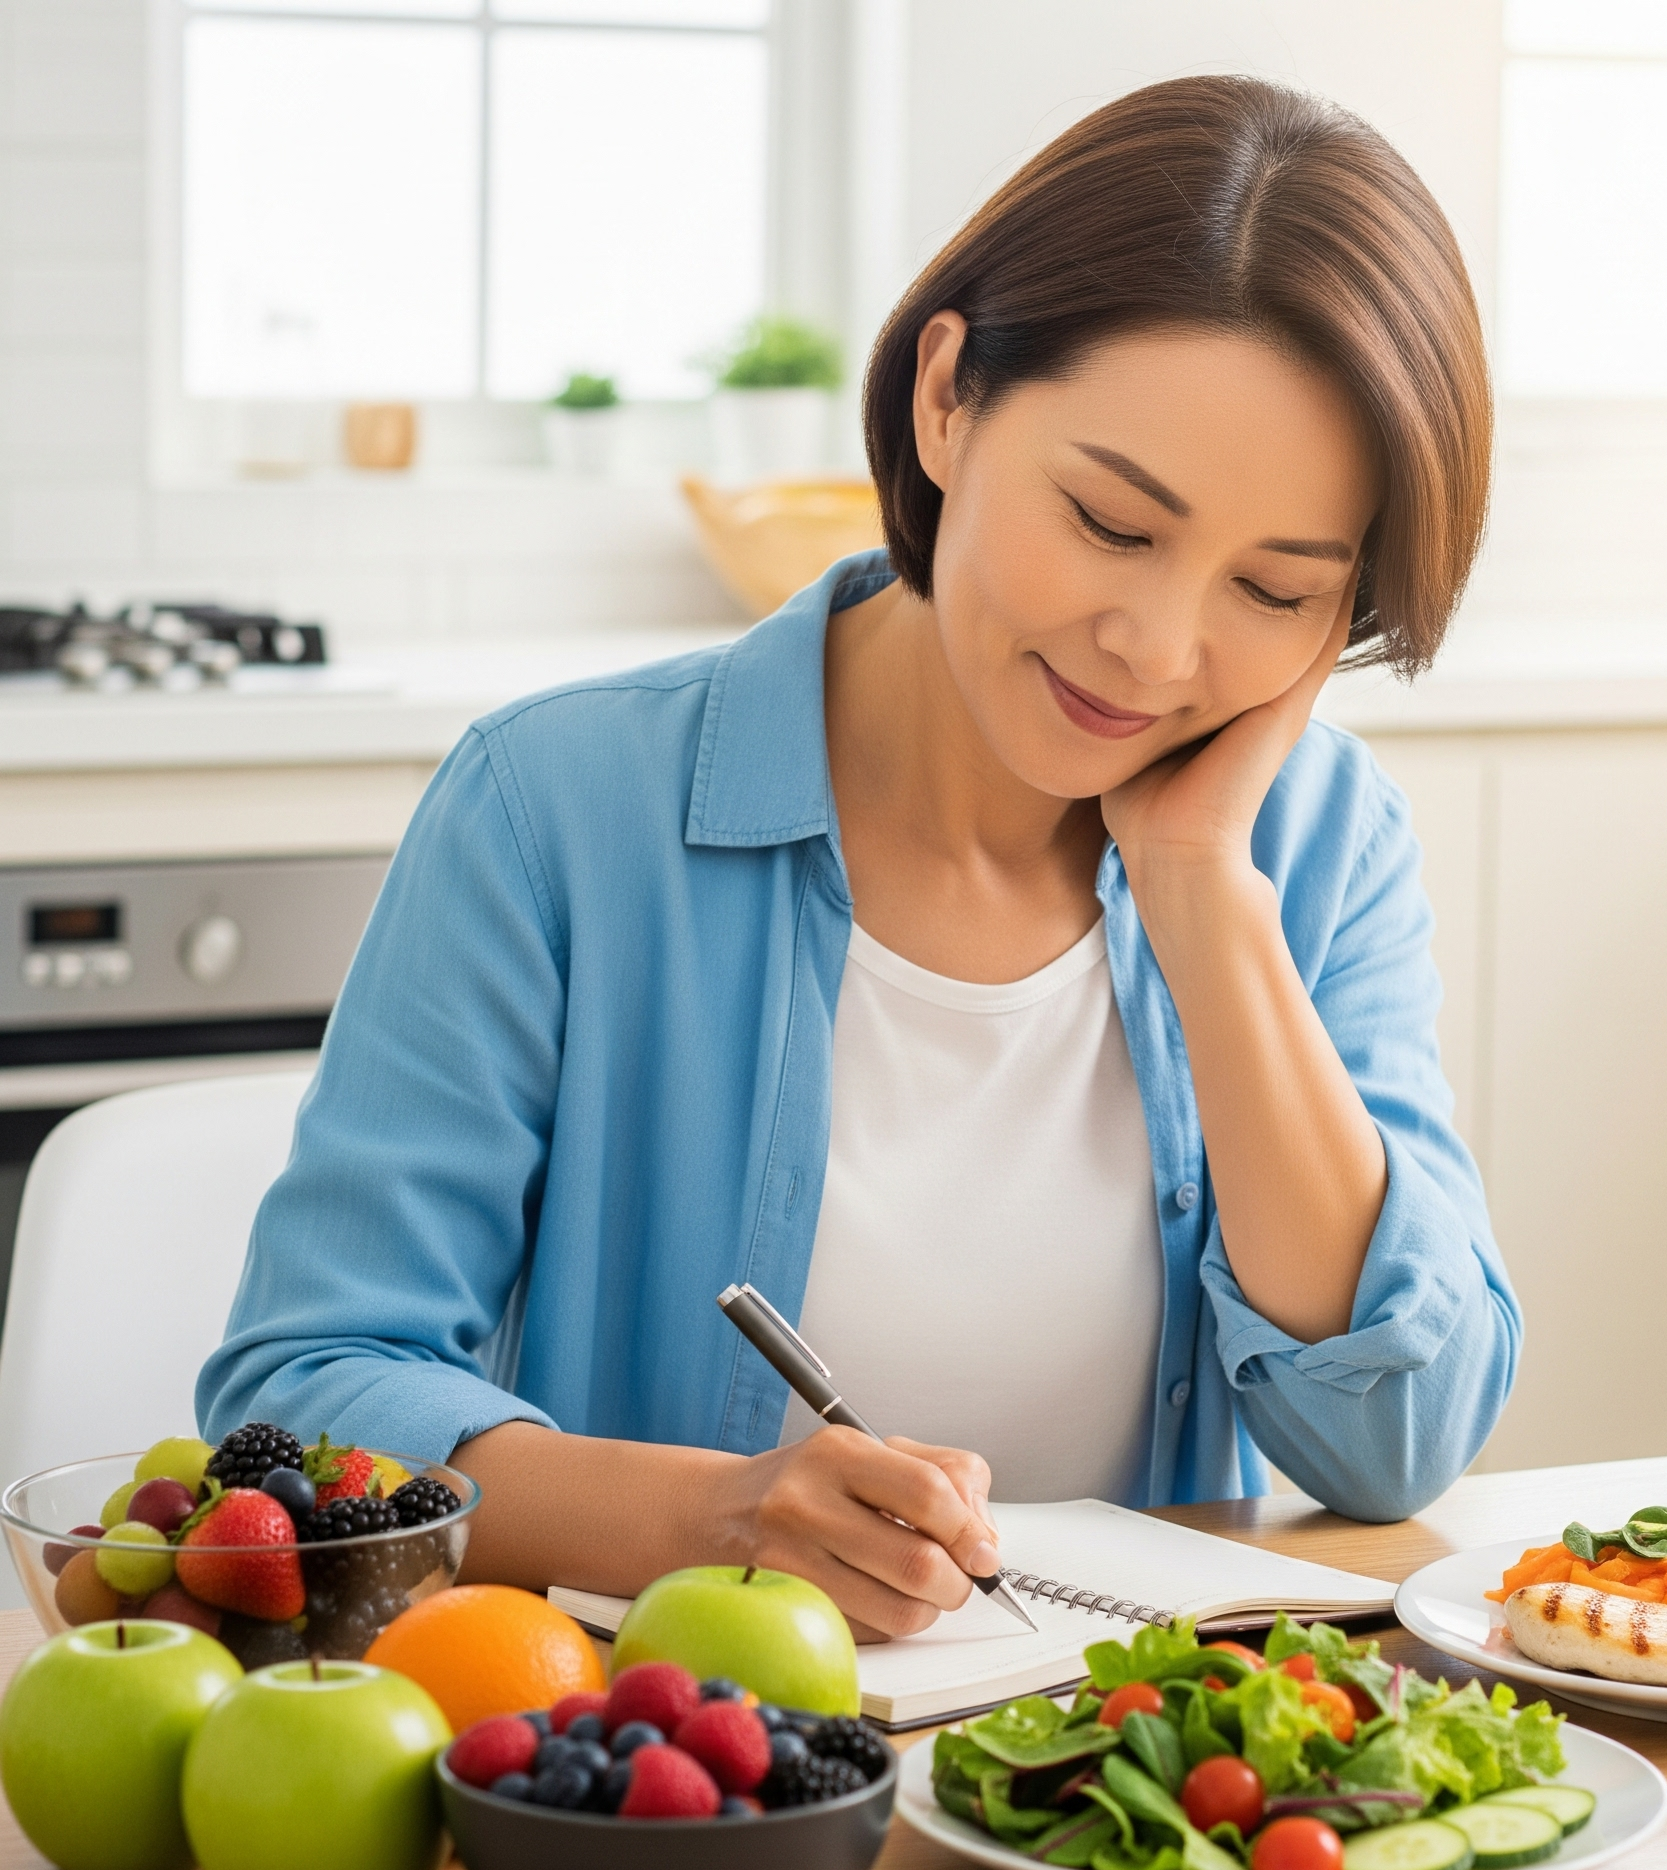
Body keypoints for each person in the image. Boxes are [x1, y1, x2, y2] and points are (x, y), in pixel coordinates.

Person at [197, 75, 1519, 1642]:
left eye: (1279, 590)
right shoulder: (553, 808)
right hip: (689, 1798)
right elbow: (307, 1392)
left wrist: (1202, 897)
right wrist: (714, 1520)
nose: (1159, 648)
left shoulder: (1312, 843)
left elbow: (1395, 1445)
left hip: (1131, 1809)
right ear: (947, 397)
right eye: (1110, 523)